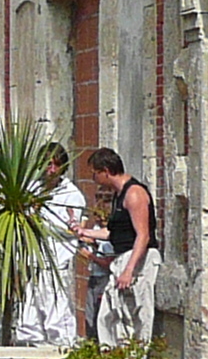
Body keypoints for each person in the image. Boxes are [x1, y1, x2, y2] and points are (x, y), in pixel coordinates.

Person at [79, 147, 160, 348]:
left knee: (134, 316)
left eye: (95, 173)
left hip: (138, 258)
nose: (94, 178)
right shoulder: (118, 195)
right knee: (109, 316)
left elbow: (143, 235)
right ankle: (114, 357)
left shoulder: (134, 194)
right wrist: (86, 233)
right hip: (122, 256)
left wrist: (129, 270)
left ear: (106, 171)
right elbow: (114, 233)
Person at [17, 143, 86, 347]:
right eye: (47, 164)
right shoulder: (31, 189)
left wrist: (39, 216)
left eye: (56, 165)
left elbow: (69, 231)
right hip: (32, 263)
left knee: (57, 318)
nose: (52, 170)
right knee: (28, 319)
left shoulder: (72, 196)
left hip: (55, 264)